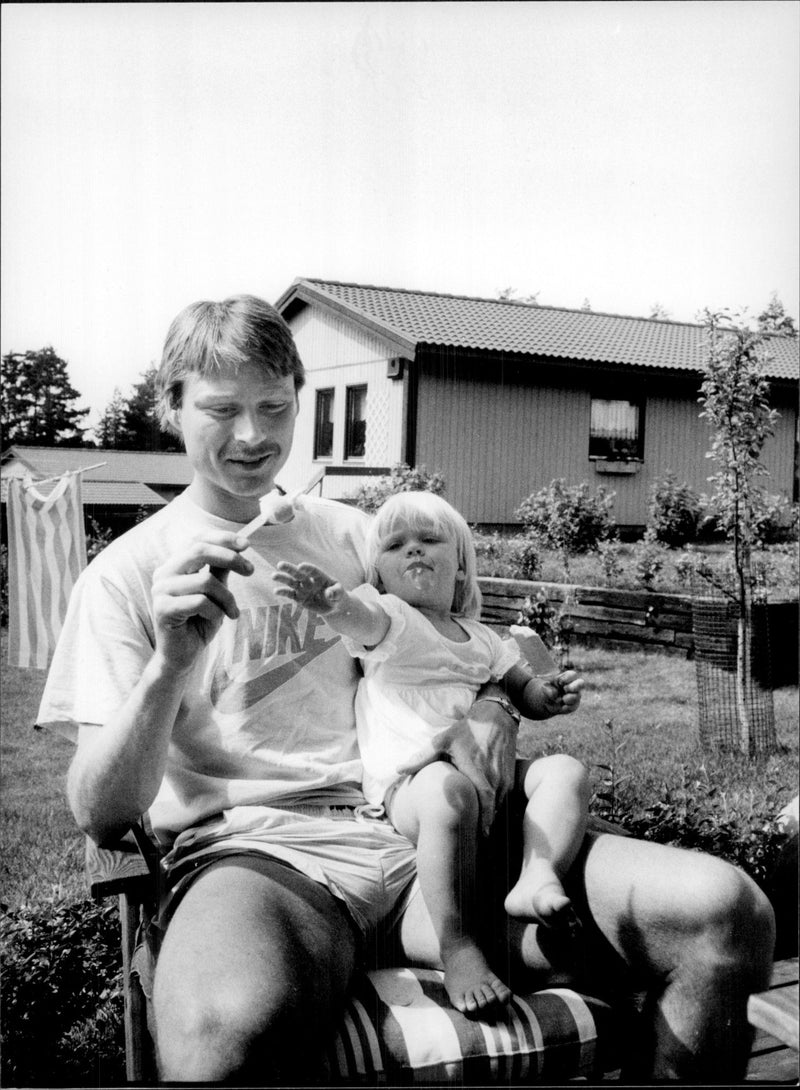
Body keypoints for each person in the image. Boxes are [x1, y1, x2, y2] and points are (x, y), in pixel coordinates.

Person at [37, 294, 775, 1085]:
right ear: (171, 409)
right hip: (267, 856)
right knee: (220, 1035)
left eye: (273, 406)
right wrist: (168, 666)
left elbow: (478, 644)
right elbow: (101, 809)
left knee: (722, 913)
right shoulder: (129, 576)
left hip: (433, 823)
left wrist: (495, 706)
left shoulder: (360, 535)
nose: (252, 436)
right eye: (221, 410)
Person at [272, 490, 588, 1015]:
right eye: (396, 546)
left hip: (486, 772)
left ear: (461, 567)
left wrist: (549, 696)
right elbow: (360, 620)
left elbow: (521, 689)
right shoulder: (392, 617)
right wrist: (333, 605)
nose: (413, 551)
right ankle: (457, 944)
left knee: (566, 772)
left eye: (428, 540)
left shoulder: (484, 638)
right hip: (413, 780)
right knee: (448, 795)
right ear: (381, 573)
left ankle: (538, 872)